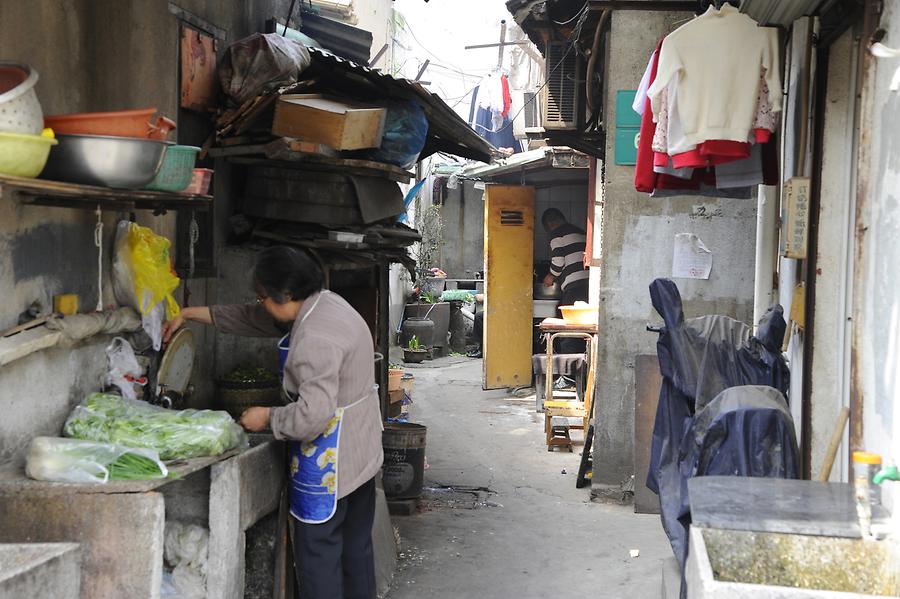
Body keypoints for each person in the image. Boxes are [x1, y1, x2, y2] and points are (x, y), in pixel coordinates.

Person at [162, 246, 383, 599]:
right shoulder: (326, 304)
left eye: (263, 296)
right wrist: (189, 313)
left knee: (319, 558)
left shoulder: (314, 338)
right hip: (362, 456)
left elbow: (313, 415)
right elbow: (253, 317)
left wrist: (268, 416)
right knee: (355, 551)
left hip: (331, 466)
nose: (260, 303)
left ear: (286, 295)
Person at [541, 208, 590, 355]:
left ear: (550, 224)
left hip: (574, 287)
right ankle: (579, 365)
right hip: (588, 285)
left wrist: (550, 276)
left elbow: (558, 261)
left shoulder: (556, 234)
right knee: (582, 328)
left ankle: (567, 371)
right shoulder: (580, 231)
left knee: (568, 329)